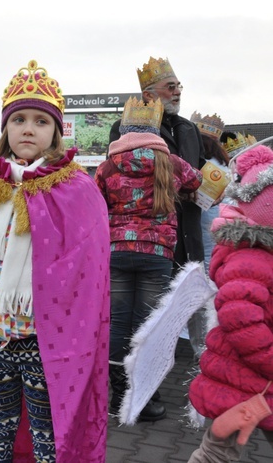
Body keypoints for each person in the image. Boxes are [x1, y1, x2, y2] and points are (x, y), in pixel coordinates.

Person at [0, 60, 111, 462]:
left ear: (55, 131)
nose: (28, 128)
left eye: (40, 121)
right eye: (18, 120)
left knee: (48, 432)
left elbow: (89, 271)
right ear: (6, 129)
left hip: (45, 340)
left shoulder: (76, 189)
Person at [95, 97, 202, 423]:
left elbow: (95, 203)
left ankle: (116, 400)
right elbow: (198, 181)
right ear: (154, 129)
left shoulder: (107, 166)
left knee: (117, 324)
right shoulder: (170, 161)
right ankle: (144, 400)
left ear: (124, 130)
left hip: (116, 252)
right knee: (148, 326)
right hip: (157, 254)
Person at [110, 56, 207, 360]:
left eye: (179, 85)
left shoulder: (189, 129)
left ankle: (186, 373)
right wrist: (182, 188)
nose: (178, 91)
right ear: (150, 95)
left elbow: (200, 170)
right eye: (170, 86)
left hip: (185, 233)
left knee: (182, 311)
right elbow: (123, 177)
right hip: (153, 241)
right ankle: (134, 384)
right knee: (141, 318)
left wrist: (209, 190)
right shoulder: (122, 127)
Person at [187, 144, 273, 462]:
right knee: (216, 453)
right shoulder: (252, 259)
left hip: (247, 381)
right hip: (248, 380)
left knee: (218, 450)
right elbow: (241, 318)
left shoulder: (258, 254)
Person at [190, 111, 230, 272]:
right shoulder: (225, 165)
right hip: (222, 215)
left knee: (202, 254)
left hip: (201, 214)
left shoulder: (196, 161)